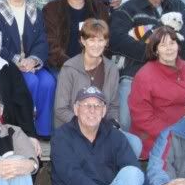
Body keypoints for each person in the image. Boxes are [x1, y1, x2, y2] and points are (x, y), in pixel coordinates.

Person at [109, 0, 185, 131]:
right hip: (136, 70)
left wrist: (168, 46)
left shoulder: (178, 6)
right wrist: (155, 52)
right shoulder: (129, 9)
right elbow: (117, 40)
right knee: (125, 120)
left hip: (176, 70)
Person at [53, 18, 143, 157]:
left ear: (106, 42)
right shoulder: (69, 68)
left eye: (101, 40)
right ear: (83, 41)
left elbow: (113, 105)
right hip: (74, 128)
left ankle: (119, 176)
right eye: (91, 40)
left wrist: (111, 124)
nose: (96, 45)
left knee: (134, 143)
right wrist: (87, 126)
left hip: (102, 128)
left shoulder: (111, 68)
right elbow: (61, 109)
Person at [0, 0, 55, 137]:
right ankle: (25, 130)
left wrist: (33, 60)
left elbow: (42, 40)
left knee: (48, 82)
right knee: (30, 82)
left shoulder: (35, 12)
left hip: (32, 63)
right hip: (8, 64)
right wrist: (17, 60)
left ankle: (43, 131)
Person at [129, 26, 185, 159]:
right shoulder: (144, 76)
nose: (169, 48)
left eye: (172, 43)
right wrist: (173, 134)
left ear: (178, 46)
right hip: (156, 137)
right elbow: (141, 116)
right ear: (155, 50)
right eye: (163, 45)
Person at [43, 0, 109, 70]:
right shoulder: (51, 10)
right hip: (62, 67)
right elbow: (52, 47)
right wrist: (74, 66)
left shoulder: (100, 9)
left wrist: (92, 64)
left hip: (93, 66)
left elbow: (106, 41)